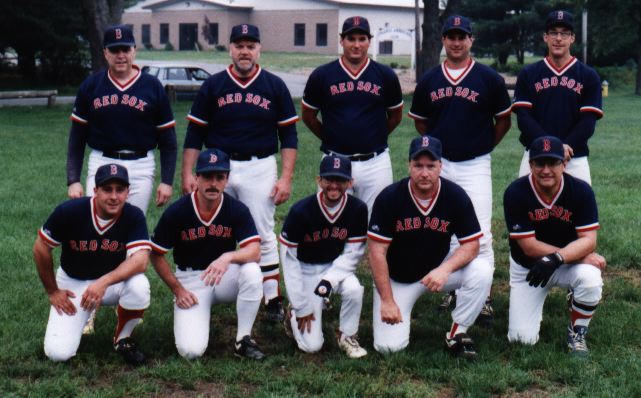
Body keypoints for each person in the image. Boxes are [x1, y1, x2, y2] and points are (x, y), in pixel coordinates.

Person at [182, 24, 299, 322]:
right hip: (216, 168)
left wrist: (285, 177)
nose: (244, 51)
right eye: (239, 45)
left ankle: (271, 297)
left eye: (250, 45)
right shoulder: (214, 85)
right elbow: (195, 132)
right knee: (212, 227)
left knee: (261, 231)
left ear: (259, 49)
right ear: (230, 49)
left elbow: (289, 137)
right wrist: (187, 173)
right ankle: (208, 287)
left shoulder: (274, 85)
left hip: (260, 165)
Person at [408, 15, 512, 323]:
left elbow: (503, 121)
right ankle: (457, 287)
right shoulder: (430, 79)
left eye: (462, 36)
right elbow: (421, 122)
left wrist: (480, 145)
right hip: (439, 164)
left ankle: (485, 297)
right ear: (443, 40)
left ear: (471, 40)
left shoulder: (488, 78)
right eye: (451, 36)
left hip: (475, 163)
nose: (456, 42)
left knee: (480, 232)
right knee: (446, 230)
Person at [367, 136, 492, 358]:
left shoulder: (455, 195)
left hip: (437, 271)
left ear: (440, 167)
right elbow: (376, 252)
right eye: (418, 165)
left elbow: (472, 245)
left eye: (431, 166)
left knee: (482, 270)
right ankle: (392, 305)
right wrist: (386, 300)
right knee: (389, 348)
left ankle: (456, 333)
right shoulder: (390, 197)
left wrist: (445, 269)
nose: (424, 173)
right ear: (408, 165)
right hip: (399, 278)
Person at [150, 149, 265, 360]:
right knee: (191, 352)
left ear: (227, 180)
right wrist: (178, 290)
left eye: (219, 177)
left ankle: (243, 340)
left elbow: (255, 251)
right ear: (196, 178)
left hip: (224, 275)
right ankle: (193, 313)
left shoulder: (236, 209)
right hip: (190, 280)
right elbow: (155, 254)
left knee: (251, 271)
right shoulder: (178, 211)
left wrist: (228, 257)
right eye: (207, 176)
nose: (213, 183)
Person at [34, 164, 151, 365]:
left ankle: (123, 338)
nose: (114, 196)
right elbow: (40, 248)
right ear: (95, 191)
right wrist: (53, 291)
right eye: (107, 189)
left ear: (127, 192)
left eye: (120, 190)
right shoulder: (70, 211)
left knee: (140, 285)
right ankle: (81, 318)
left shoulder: (133, 215)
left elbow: (141, 261)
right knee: (57, 353)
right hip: (73, 282)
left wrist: (103, 282)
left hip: (111, 283)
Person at [503, 136, 604, 356]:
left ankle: (577, 331)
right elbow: (528, 247)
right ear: (530, 165)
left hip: (565, 264)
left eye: (553, 162)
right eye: (540, 163)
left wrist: (559, 258)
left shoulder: (581, 191)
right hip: (529, 268)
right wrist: (579, 256)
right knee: (521, 339)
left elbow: (589, 240)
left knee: (590, 277)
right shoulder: (516, 192)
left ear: (564, 164)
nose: (546, 170)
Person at [66, 24, 177, 214]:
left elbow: (168, 140)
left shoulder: (152, 86)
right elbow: (77, 138)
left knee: (133, 223)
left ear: (134, 50)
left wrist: (166, 181)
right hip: (102, 160)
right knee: (98, 223)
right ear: (105, 53)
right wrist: (73, 180)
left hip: (141, 164)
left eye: (125, 49)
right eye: (114, 50)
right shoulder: (91, 86)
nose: (120, 55)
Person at [302, 16, 403, 214]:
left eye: (362, 39)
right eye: (351, 39)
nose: (356, 45)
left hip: (376, 162)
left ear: (369, 41)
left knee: (378, 223)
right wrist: (330, 136)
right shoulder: (322, 75)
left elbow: (395, 116)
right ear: (342, 40)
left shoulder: (385, 75)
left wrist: (375, 135)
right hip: (335, 160)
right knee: (331, 223)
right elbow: (308, 116)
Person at [279, 155, 368, 358]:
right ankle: (292, 313)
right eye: (329, 179)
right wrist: (301, 305)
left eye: (340, 180)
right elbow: (289, 261)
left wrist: (329, 280)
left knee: (354, 289)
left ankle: (347, 336)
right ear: (319, 180)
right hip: (305, 269)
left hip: (335, 267)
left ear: (350, 182)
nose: (334, 185)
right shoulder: (300, 211)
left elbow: (352, 255)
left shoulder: (357, 209)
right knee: (312, 346)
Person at [512, 10, 603, 185]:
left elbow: (588, 121)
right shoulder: (528, 74)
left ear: (572, 38)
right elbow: (524, 118)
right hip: (535, 155)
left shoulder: (588, 75)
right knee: (527, 208)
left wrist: (565, 148)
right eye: (553, 33)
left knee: (581, 210)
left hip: (574, 155)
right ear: (545, 37)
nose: (558, 38)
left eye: (564, 33)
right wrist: (550, 146)